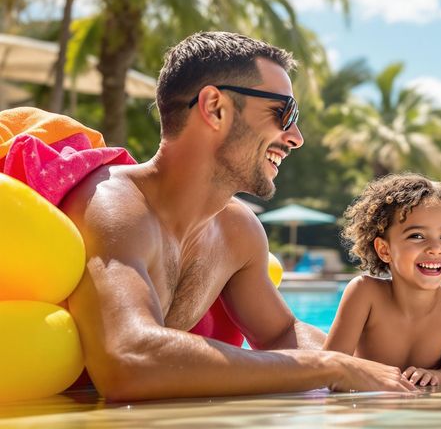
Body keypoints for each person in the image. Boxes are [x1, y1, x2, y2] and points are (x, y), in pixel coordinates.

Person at [62, 32, 417, 400]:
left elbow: (281, 334)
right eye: (284, 113)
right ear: (215, 107)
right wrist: (331, 365)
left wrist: (384, 365)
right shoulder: (114, 205)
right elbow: (127, 361)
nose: (296, 137)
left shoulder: (237, 229)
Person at [325, 173, 441, 386]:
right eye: (417, 236)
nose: (435, 248)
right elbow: (329, 366)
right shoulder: (365, 293)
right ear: (384, 249)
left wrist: (436, 376)